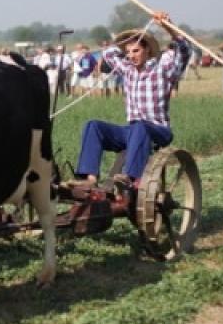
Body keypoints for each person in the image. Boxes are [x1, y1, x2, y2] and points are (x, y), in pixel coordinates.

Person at [71, 12, 189, 193]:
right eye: (128, 52)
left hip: (159, 130)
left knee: (141, 126)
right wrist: (128, 39)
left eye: (136, 50)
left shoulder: (162, 70)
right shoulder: (127, 70)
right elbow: (109, 53)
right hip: (132, 131)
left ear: (148, 50)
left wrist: (167, 25)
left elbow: (184, 49)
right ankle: (90, 178)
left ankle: (131, 177)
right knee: (93, 125)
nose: (131, 56)